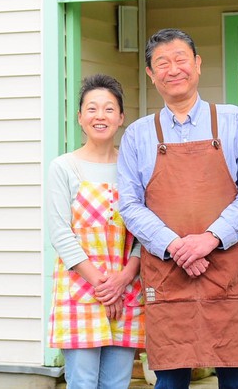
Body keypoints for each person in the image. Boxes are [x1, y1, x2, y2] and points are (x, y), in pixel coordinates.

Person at [117, 28, 238, 389]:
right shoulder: (138, 134)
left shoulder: (235, 121)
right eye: (162, 63)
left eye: (181, 58)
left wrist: (209, 239)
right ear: (152, 76)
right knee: (169, 379)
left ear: (198, 64)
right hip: (169, 274)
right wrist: (176, 246)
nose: (173, 69)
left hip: (225, 271)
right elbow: (130, 204)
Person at [47, 73, 145, 389]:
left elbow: (144, 232)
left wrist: (122, 280)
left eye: (107, 109)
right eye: (91, 109)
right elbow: (61, 234)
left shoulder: (133, 168)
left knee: (117, 384)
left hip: (126, 288)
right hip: (80, 290)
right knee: (83, 382)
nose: (99, 116)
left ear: (120, 118)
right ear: (79, 117)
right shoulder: (63, 166)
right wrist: (103, 286)